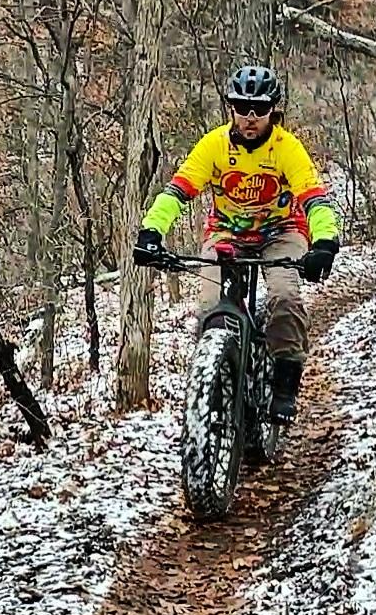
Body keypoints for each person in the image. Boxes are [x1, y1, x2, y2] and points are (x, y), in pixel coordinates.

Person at [133, 65, 340, 424]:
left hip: (282, 231)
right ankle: (213, 385)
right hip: (227, 234)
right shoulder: (214, 145)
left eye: (259, 109)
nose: (249, 117)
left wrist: (325, 242)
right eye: (241, 107)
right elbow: (177, 191)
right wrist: (151, 231)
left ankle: (285, 385)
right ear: (231, 108)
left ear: (273, 111)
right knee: (211, 308)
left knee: (285, 298)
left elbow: (314, 199)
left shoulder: (287, 148)